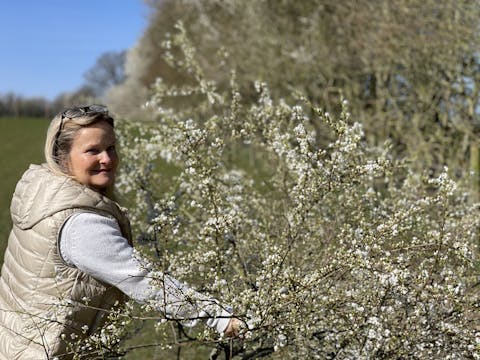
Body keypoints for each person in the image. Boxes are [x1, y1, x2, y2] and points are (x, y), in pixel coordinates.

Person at [0, 105, 239, 359]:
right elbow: (142, 280)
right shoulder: (80, 223)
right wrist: (221, 318)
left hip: (14, 342)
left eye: (111, 148)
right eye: (92, 150)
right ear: (63, 157)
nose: (107, 159)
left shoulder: (43, 191)